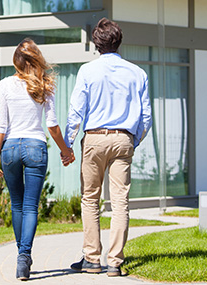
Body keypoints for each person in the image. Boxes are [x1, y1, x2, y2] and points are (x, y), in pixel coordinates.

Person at [64, 18, 152, 277]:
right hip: (123, 138)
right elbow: (145, 118)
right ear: (119, 41)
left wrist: (67, 145)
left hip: (94, 138)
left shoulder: (87, 71)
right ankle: (114, 262)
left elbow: (76, 112)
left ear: (96, 43)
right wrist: (132, 140)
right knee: (120, 201)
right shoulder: (138, 73)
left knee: (90, 199)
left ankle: (92, 259)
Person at [0, 38, 75, 281]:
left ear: (16, 62)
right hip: (35, 147)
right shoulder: (44, 85)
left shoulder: (4, 85)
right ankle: (24, 257)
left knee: (16, 205)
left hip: (10, 149)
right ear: (36, 59)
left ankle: (22, 257)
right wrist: (66, 150)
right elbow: (52, 126)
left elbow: (1, 125)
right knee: (30, 206)